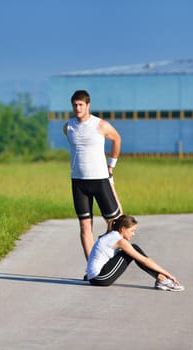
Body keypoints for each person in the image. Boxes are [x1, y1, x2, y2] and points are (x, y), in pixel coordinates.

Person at [63, 90, 123, 266]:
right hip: (78, 182)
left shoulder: (100, 125)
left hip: (99, 179)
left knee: (114, 224)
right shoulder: (69, 127)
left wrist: (111, 165)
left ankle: (113, 259)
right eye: (75, 105)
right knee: (84, 226)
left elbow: (117, 139)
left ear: (88, 105)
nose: (77, 108)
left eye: (81, 105)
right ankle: (92, 267)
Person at [86, 214, 184, 291]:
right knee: (134, 250)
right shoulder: (119, 240)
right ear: (123, 229)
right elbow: (144, 260)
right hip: (100, 278)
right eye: (132, 231)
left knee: (134, 248)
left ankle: (162, 279)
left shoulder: (114, 235)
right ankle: (163, 280)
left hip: (96, 277)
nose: (133, 234)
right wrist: (168, 274)